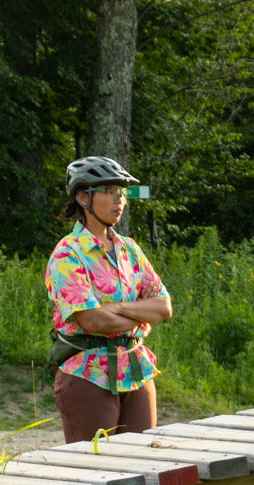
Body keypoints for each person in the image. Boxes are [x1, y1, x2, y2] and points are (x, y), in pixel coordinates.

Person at [45, 156, 172, 442]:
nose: (119, 199)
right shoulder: (68, 253)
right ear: (83, 197)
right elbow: (91, 319)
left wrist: (118, 308)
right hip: (87, 374)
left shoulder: (130, 250)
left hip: (136, 370)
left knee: (143, 467)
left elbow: (164, 307)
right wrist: (140, 314)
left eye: (122, 192)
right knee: (94, 474)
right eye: (108, 191)